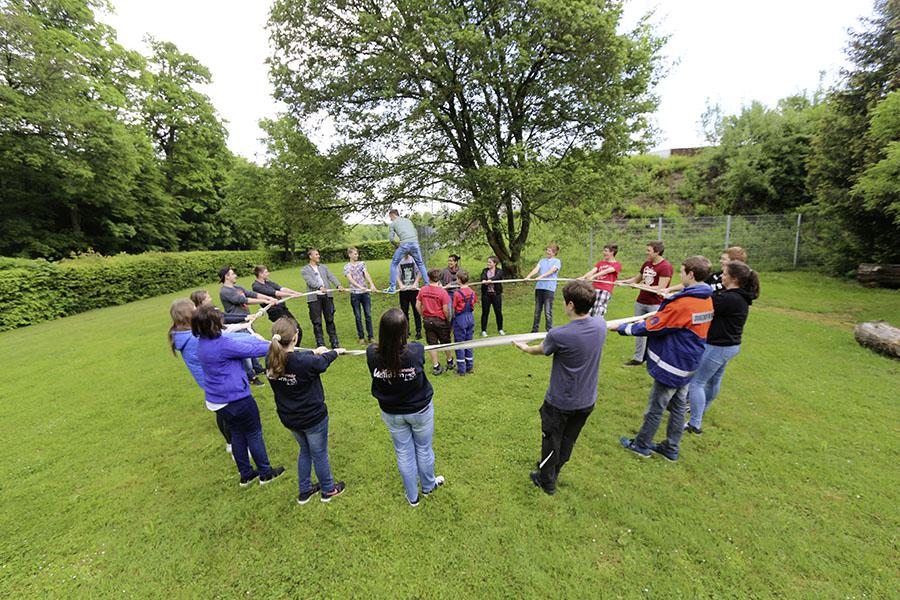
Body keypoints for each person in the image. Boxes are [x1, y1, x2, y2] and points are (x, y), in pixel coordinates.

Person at [513, 280, 606, 496]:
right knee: (567, 440)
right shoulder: (600, 324)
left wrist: (524, 348)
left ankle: (546, 481)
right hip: (587, 400)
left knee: (551, 441)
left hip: (560, 402)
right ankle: (553, 471)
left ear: (571, 305)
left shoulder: (559, 334)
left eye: (565, 302)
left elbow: (541, 349)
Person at [617, 256, 714, 462]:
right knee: (678, 406)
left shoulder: (686, 303)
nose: (679, 275)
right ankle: (671, 448)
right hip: (690, 362)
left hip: (674, 363)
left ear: (691, 274)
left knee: (656, 406)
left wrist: (624, 328)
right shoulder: (706, 298)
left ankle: (641, 445)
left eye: (682, 271)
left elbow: (655, 326)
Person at [192, 303, 286, 486]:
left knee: (236, 433)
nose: (223, 320)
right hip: (236, 398)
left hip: (217, 400)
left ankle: (246, 474)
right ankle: (266, 473)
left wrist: (257, 339)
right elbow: (255, 350)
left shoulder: (203, 341)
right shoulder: (222, 344)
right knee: (253, 433)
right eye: (220, 319)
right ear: (213, 324)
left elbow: (239, 341)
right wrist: (273, 342)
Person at [366, 308, 444, 507]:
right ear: (404, 331)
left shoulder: (372, 353)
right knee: (423, 449)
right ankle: (425, 489)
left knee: (405, 452)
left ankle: (415, 496)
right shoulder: (415, 350)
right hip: (418, 411)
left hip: (393, 412)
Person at [266, 317, 347, 504]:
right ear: (295, 337)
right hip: (312, 419)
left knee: (305, 450)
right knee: (319, 454)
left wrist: (314, 351)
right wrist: (335, 352)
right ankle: (328, 490)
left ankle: (305, 490)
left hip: (290, 418)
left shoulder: (271, 357)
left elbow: (301, 359)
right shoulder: (304, 362)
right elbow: (322, 362)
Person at [685, 260, 760, 434]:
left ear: (734, 279)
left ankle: (695, 423)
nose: (722, 277)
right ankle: (700, 411)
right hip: (730, 346)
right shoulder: (739, 296)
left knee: (697, 383)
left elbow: (705, 306)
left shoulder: (730, 298)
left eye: (725, 274)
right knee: (712, 381)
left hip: (718, 347)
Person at [169, 299, 232, 457]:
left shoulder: (184, 335)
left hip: (208, 381)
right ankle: (235, 446)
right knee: (228, 413)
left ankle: (231, 443)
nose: (198, 309)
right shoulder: (192, 339)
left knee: (221, 411)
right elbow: (219, 342)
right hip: (215, 379)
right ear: (188, 315)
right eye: (194, 308)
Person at [218, 266, 276, 385]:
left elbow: (252, 294)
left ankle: (258, 368)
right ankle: (250, 376)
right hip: (238, 324)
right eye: (233, 274)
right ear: (226, 277)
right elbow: (243, 300)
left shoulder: (237, 287)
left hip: (247, 322)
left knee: (253, 343)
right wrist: (265, 301)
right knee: (245, 350)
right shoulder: (225, 291)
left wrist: (269, 297)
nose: (235, 276)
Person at [618, 241, 673, 366]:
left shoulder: (665, 267)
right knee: (638, 330)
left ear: (657, 252)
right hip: (641, 302)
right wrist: (623, 282)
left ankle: (654, 358)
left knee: (654, 331)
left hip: (655, 304)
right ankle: (638, 358)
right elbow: (636, 279)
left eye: (648, 250)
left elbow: (661, 288)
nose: (646, 252)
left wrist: (638, 285)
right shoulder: (647, 264)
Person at [301, 248, 345, 349]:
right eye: (316, 254)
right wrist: (320, 287)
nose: (318, 256)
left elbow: (331, 276)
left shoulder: (324, 267)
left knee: (330, 319)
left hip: (327, 297)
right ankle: (320, 344)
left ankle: (334, 342)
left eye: (318, 254)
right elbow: (310, 281)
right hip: (314, 299)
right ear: (310, 256)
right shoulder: (304, 270)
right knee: (317, 322)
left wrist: (338, 285)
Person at [416, 268, 454, 375]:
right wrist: (447, 319)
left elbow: (417, 305)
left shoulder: (423, 290)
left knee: (432, 344)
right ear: (440, 278)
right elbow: (446, 310)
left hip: (428, 320)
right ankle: (450, 361)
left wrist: (423, 315)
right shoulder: (443, 292)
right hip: (440, 320)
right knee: (446, 342)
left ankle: (436, 366)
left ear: (428, 277)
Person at [664, 246, 747, 295]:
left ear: (734, 262)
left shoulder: (735, 283)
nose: (720, 261)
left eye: (724, 259)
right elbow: (694, 282)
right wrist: (670, 289)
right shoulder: (716, 275)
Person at [385, 209, 430, 293]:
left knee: (394, 264)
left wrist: (396, 246)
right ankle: (428, 285)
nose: (390, 219)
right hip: (415, 243)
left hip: (404, 244)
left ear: (392, 215)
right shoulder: (408, 220)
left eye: (390, 217)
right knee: (420, 264)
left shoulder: (393, 224)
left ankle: (392, 287)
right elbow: (414, 232)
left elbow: (391, 239)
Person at [343, 246, 377, 345]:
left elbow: (366, 274)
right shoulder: (347, 267)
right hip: (355, 294)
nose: (357, 255)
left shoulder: (362, 264)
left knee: (368, 315)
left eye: (357, 253)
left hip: (365, 294)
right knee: (358, 316)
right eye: (355, 254)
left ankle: (371, 337)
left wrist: (372, 284)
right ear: (349, 255)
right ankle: (361, 337)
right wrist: (359, 286)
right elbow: (350, 279)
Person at [525, 243, 562, 332]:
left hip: (549, 288)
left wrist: (541, 276)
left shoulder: (557, 261)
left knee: (547, 311)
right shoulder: (542, 260)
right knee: (537, 310)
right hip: (539, 288)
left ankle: (549, 330)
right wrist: (529, 276)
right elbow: (536, 269)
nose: (547, 252)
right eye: (547, 250)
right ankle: (534, 330)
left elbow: (552, 271)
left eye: (549, 250)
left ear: (554, 252)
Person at [579, 243, 622, 317]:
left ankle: (597, 327)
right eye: (604, 251)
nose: (604, 253)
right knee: (589, 311)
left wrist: (593, 277)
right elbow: (592, 271)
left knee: (599, 311)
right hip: (593, 289)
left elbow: (606, 271)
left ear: (612, 252)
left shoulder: (617, 264)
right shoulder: (600, 263)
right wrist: (583, 277)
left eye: (606, 251)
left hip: (605, 290)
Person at [451, 270, 477, 375]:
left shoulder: (457, 293)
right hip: (470, 317)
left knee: (459, 344)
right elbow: (474, 302)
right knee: (469, 342)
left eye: (457, 278)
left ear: (460, 280)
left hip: (460, 318)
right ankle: (470, 366)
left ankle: (461, 369)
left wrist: (453, 319)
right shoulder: (472, 292)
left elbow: (454, 307)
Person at [396, 253, 423, 340]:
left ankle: (418, 331)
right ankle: (406, 331)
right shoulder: (398, 260)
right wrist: (400, 285)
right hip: (403, 291)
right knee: (404, 312)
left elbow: (420, 272)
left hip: (414, 290)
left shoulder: (414, 259)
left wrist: (415, 283)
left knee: (416, 310)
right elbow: (396, 274)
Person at [479, 256, 505, 336]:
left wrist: (491, 280)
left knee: (498, 312)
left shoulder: (499, 271)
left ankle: (500, 329)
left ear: (495, 263)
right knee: (485, 312)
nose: (488, 263)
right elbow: (482, 276)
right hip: (486, 295)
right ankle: (483, 330)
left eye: (490, 262)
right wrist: (483, 280)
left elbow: (498, 277)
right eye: (488, 262)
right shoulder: (485, 270)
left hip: (496, 295)